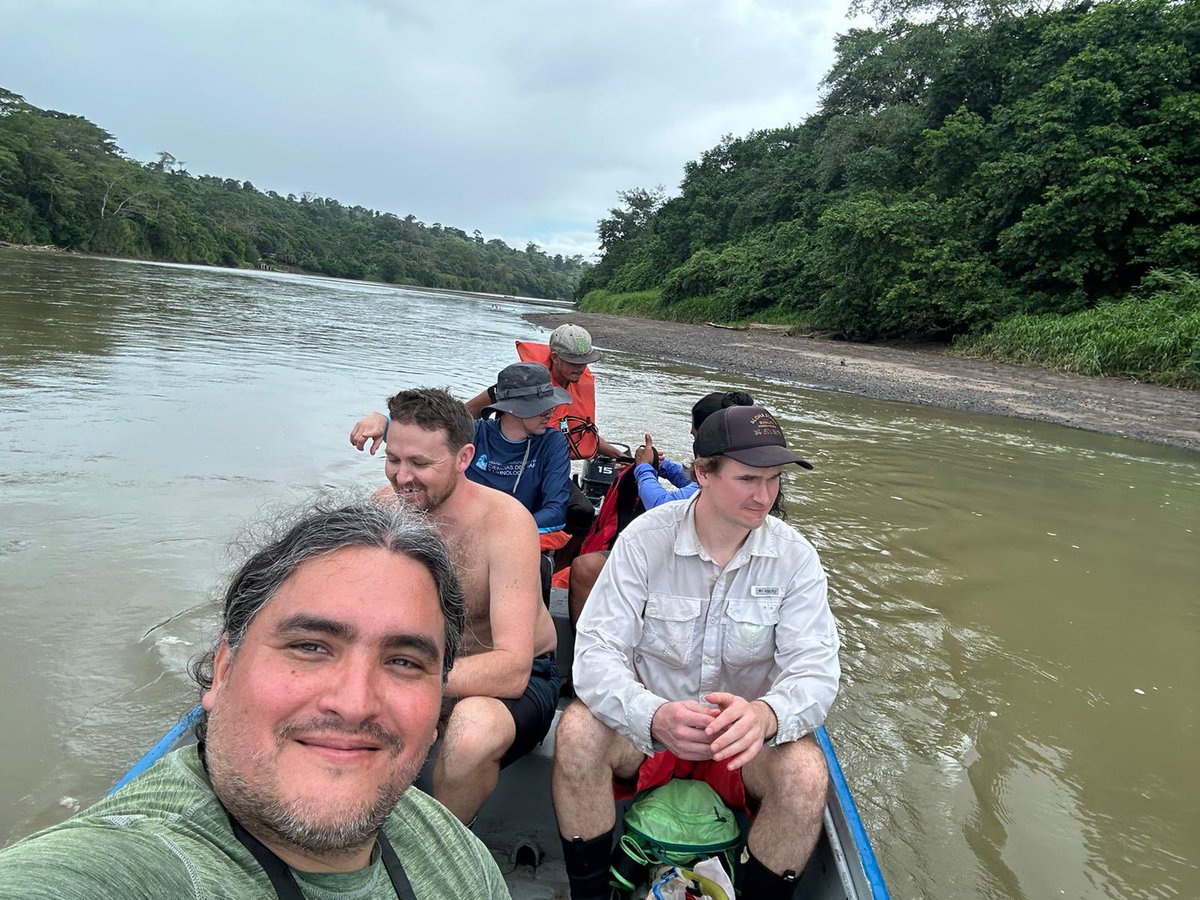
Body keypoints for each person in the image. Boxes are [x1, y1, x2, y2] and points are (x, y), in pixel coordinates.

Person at [0, 500, 510, 898]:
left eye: (403, 661)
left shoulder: (452, 846)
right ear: (223, 671)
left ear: (437, 704)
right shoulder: (132, 863)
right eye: (310, 647)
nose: (355, 703)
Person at [551, 406, 839, 900]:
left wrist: (767, 716)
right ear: (702, 472)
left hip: (742, 748)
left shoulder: (795, 558)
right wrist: (653, 714)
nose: (764, 496)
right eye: (748, 478)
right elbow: (596, 655)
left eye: (773, 480)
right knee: (577, 731)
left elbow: (815, 672)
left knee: (807, 775)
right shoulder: (644, 541)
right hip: (647, 737)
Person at [373, 388, 560, 825]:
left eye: (420, 464)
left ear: (464, 458)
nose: (402, 478)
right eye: (393, 459)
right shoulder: (385, 510)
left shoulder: (506, 523)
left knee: (471, 733)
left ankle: (439, 860)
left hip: (517, 678)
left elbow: (512, 668)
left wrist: (400, 680)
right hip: (422, 668)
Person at [566, 390, 755, 625]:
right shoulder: (741, 464)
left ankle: (584, 653)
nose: (691, 437)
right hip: (696, 553)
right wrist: (662, 466)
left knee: (585, 568)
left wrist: (644, 469)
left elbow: (660, 505)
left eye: (695, 434)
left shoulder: (720, 480)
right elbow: (691, 481)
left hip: (689, 563)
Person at [350, 363, 573, 541]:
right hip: (457, 527)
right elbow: (421, 435)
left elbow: (555, 510)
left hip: (512, 535)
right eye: (542, 406)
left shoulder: (552, 443)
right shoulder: (474, 432)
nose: (551, 412)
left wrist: (502, 531)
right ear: (512, 408)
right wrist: (383, 420)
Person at [464, 323, 627, 543]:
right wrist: (483, 441)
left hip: (547, 458)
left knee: (582, 511)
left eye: (584, 362)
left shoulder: (558, 429)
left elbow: (582, 433)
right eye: (573, 362)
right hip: (511, 454)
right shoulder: (517, 385)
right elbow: (469, 410)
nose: (580, 368)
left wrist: (620, 455)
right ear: (555, 358)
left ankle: (559, 563)